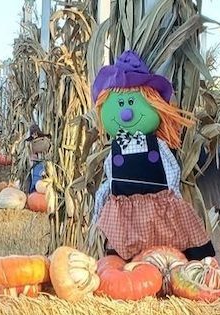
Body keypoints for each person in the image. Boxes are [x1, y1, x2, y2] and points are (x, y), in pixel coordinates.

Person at [91, 50, 213, 261]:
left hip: (160, 206)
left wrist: (172, 195)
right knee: (121, 260)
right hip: (125, 212)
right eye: (120, 104)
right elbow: (110, 180)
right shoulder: (115, 149)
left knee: (175, 250)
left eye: (131, 103)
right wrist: (100, 204)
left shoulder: (156, 145)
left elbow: (171, 171)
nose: (126, 113)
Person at [25, 125, 51, 193]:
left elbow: (48, 151)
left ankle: (36, 192)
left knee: (42, 178)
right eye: (33, 134)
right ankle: (33, 192)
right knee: (35, 178)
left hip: (44, 163)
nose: (34, 135)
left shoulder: (45, 141)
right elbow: (30, 155)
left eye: (35, 133)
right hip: (35, 164)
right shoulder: (31, 144)